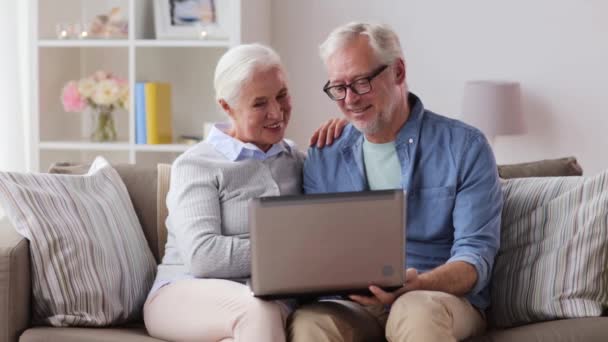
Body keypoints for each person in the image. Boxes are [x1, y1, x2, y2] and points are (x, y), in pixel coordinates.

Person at [288, 22, 503, 342]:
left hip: (438, 298)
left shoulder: (464, 146)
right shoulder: (325, 155)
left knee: (414, 310)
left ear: (398, 71)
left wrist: (419, 285)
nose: (349, 100)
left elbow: (475, 257)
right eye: (338, 88)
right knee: (310, 324)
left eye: (361, 82)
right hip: (355, 305)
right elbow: (319, 252)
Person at [143, 43, 306, 342]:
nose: (276, 112)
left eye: (282, 95)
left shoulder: (296, 160)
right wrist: (290, 251)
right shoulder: (196, 164)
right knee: (258, 311)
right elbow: (203, 257)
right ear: (227, 107)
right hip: (183, 294)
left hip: (268, 301)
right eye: (259, 103)